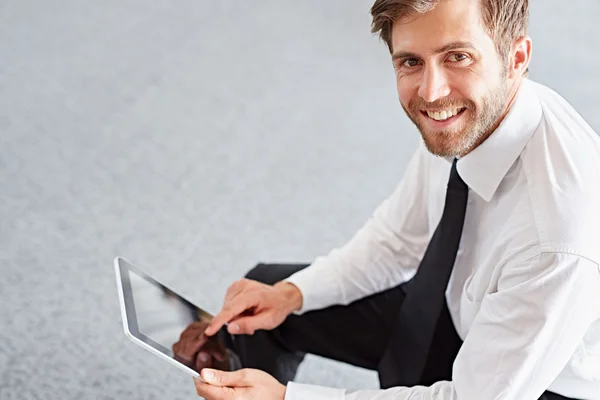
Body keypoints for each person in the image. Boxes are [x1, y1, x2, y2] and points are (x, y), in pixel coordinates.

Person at [192, 0, 600, 399]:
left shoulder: (557, 239)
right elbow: (399, 242)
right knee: (266, 293)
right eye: (410, 62)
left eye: (457, 56)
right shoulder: (469, 118)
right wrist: (290, 294)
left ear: (516, 57)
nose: (431, 91)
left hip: (534, 381)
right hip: (461, 311)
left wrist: (287, 398)